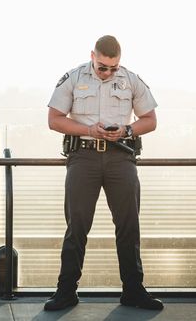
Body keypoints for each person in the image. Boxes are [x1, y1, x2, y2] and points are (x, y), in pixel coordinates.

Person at [44, 35, 163, 311]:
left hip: (121, 157)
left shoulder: (131, 80)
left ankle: (133, 290)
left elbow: (150, 119)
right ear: (92, 56)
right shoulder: (73, 78)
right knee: (77, 226)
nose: (108, 72)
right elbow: (54, 119)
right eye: (102, 67)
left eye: (113, 67)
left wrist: (128, 130)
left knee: (129, 225)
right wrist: (88, 129)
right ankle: (65, 292)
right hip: (83, 158)